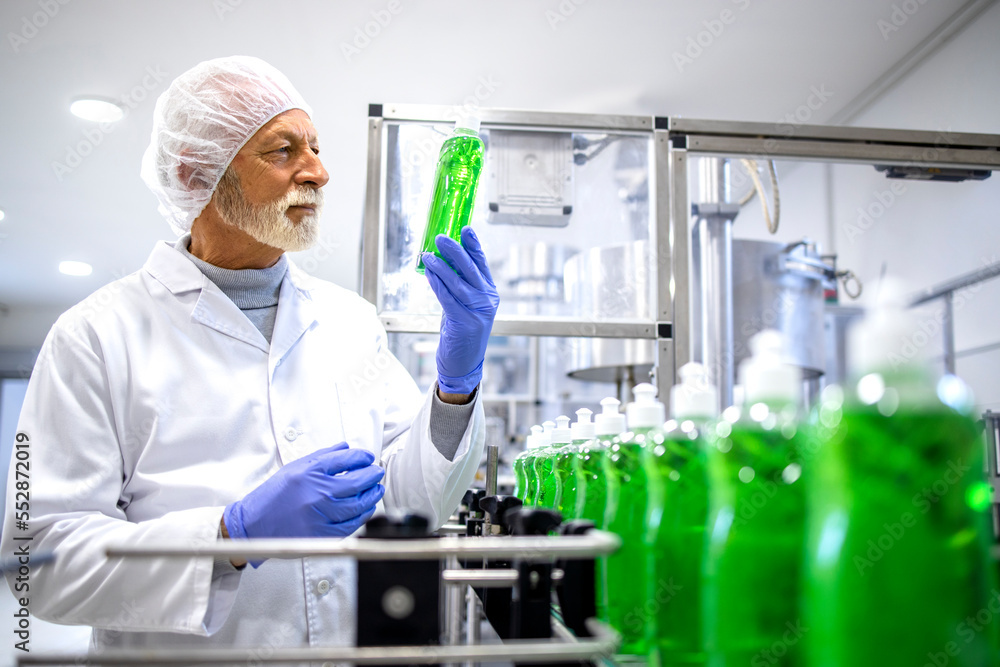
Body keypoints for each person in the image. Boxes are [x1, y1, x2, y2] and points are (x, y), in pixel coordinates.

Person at [0, 55, 497, 655]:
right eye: (282, 151)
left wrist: (455, 385)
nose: (318, 172)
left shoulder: (351, 322)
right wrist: (230, 534)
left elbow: (408, 503)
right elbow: (39, 562)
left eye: (316, 148)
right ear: (195, 174)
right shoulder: (97, 336)